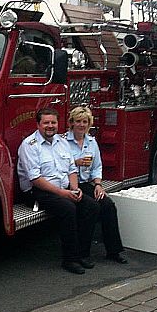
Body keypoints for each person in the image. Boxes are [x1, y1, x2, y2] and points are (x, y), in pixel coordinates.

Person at [17, 108, 99, 274]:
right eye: (46, 123)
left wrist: (75, 189)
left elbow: (71, 169)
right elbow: (35, 179)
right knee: (68, 208)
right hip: (37, 191)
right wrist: (64, 194)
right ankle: (70, 260)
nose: (50, 126)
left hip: (64, 188)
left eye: (53, 122)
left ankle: (83, 254)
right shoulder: (29, 145)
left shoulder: (62, 143)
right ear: (38, 124)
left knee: (92, 207)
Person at [65, 107, 128, 265]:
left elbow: (97, 166)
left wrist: (98, 185)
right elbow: (57, 165)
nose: (81, 125)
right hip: (67, 184)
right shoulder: (63, 141)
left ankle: (114, 251)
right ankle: (82, 254)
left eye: (85, 122)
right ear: (71, 123)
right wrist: (76, 162)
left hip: (86, 182)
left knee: (108, 205)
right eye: (78, 121)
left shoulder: (91, 142)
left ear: (89, 124)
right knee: (91, 207)